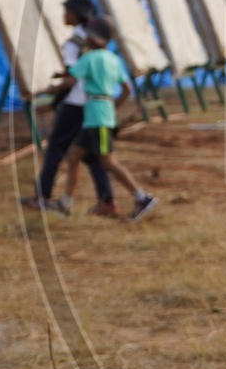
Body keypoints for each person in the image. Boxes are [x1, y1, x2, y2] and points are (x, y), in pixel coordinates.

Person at [53, 17, 157, 223]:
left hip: (97, 118)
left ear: (95, 39)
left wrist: (43, 91)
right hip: (99, 116)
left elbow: (69, 82)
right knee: (73, 156)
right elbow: (127, 89)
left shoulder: (89, 58)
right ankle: (65, 203)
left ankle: (142, 197)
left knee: (108, 161)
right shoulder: (113, 59)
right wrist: (111, 106)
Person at [21, 0, 117, 216]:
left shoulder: (74, 43)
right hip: (93, 104)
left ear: (76, 14)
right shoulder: (94, 38)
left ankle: (42, 196)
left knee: (55, 148)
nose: (64, 15)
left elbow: (71, 81)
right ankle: (106, 200)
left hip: (75, 103)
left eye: (67, 11)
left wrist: (53, 104)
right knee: (92, 154)